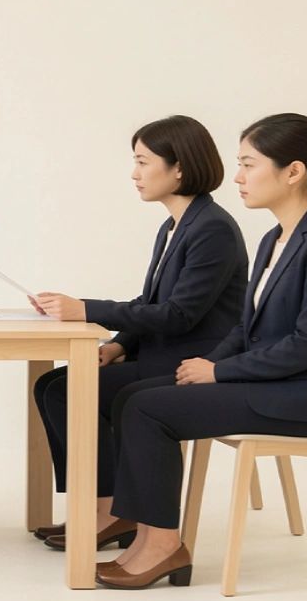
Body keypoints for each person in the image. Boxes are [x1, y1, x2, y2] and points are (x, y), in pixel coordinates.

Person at [98, 113, 307, 589]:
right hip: (281, 383)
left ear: (293, 171)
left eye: (249, 164)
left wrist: (221, 374)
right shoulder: (275, 237)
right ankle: (147, 537)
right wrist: (211, 363)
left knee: (147, 409)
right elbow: (247, 326)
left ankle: (162, 546)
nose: (238, 177)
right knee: (130, 397)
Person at [29, 116, 248, 551]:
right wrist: (117, 344)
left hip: (190, 362)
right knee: (52, 385)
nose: (135, 173)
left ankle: (110, 512)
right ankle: (103, 508)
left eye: (143, 162)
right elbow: (151, 300)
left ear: (179, 168)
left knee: (68, 391)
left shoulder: (213, 229)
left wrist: (85, 309)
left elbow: (179, 314)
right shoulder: (174, 226)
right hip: (159, 352)